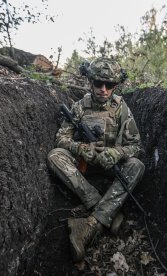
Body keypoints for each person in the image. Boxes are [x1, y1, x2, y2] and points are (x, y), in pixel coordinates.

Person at [47, 57, 145, 262]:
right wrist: (81, 148)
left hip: (111, 168)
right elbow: (61, 138)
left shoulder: (122, 109)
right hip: (86, 167)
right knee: (55, 156)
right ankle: (101, 206)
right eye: (98, 83)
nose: (104, 89)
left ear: (115, 86)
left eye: (109, 85)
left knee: (136, 166)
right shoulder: (80, 107)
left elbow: (136, 145)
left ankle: (90, 223)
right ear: (90, 82)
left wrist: (117, 153)